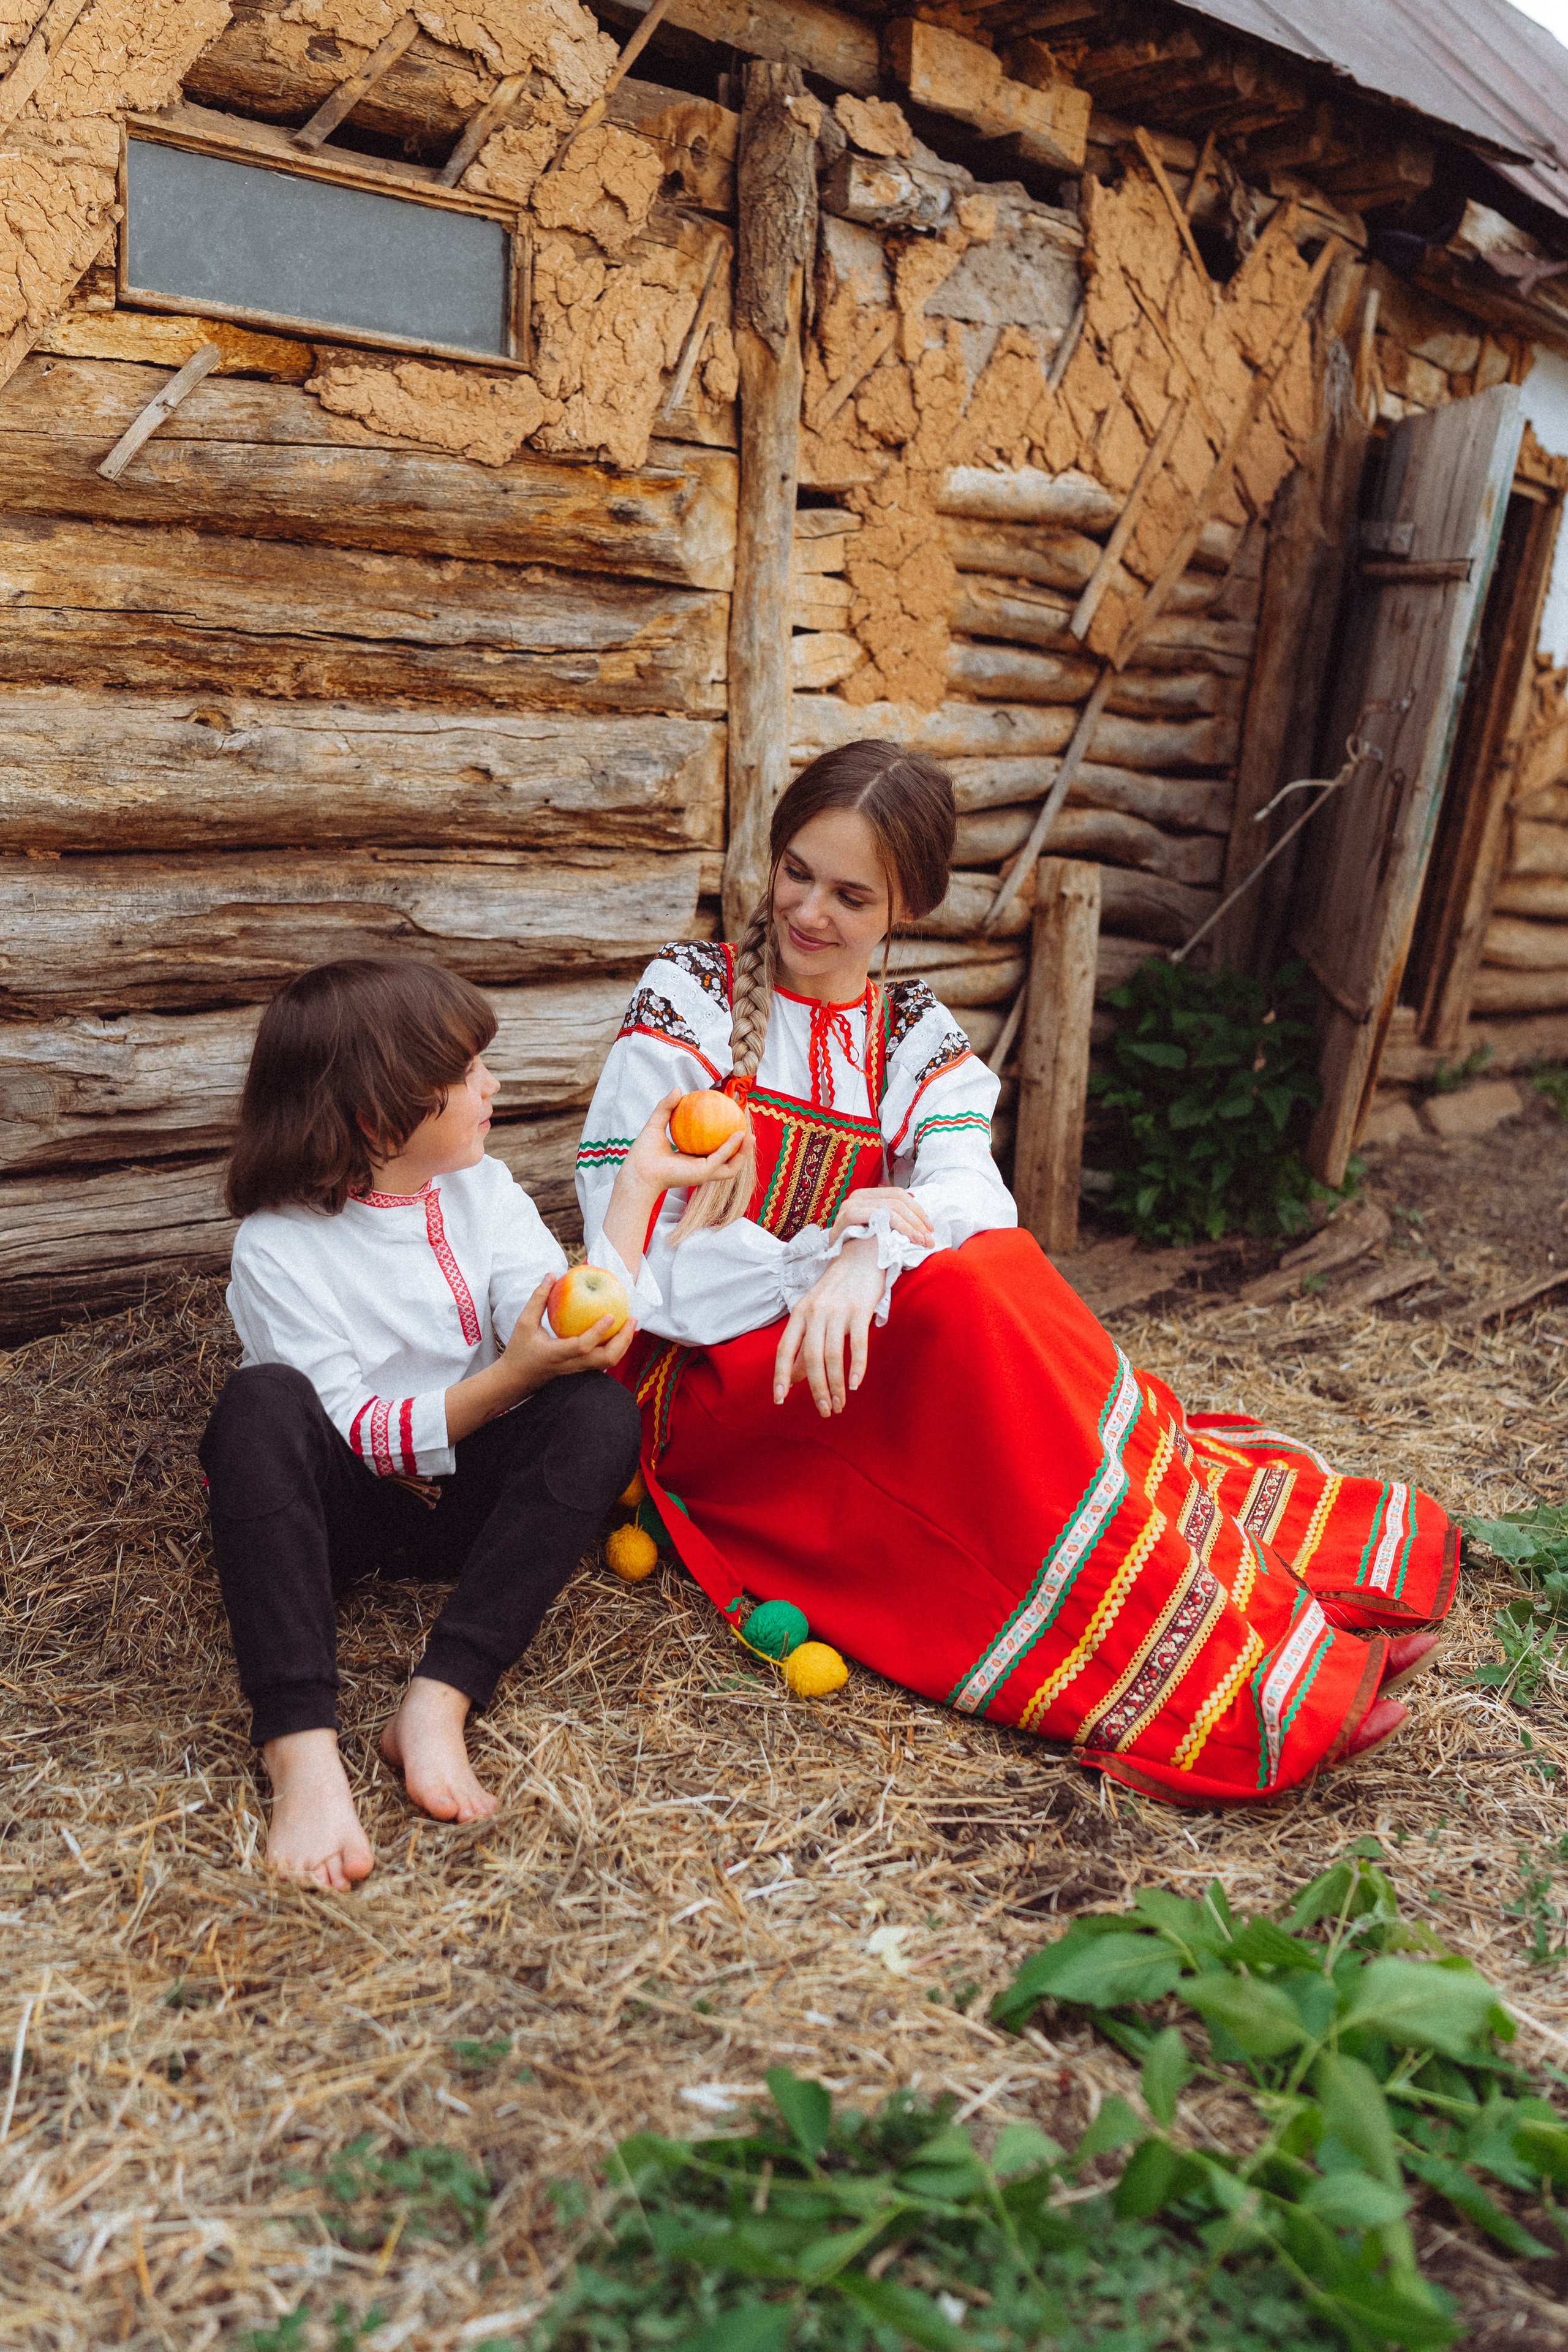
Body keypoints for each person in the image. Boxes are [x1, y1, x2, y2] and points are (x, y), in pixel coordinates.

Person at [576, 740, 1455, 1807]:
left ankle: (1259, 1620)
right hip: (707, 1387)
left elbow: (967, 1194)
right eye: (797, 871)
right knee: (963, 1299)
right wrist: (827, 1256)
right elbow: (647, 1256)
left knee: (989, 1270)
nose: (809, 912)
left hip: (842, 1351)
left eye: (851, 896)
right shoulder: (690, 998)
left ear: (909, 908)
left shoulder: (912, 1032)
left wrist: (867, 1248)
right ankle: (1215, 1686)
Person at [201, 957, 741, 1888]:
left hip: (468, 1512)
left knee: (595, 1414)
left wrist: (640, 1189)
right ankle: (300, 1749)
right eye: (465, 1074)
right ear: (378, 1116)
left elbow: (578, 1321)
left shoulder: (481, 1190)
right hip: (337, 1516)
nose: (492, 1085)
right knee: (258, 1409)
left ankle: (438, 1701)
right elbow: (360, 1428)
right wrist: (513, 1374)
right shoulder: (276, 1245)